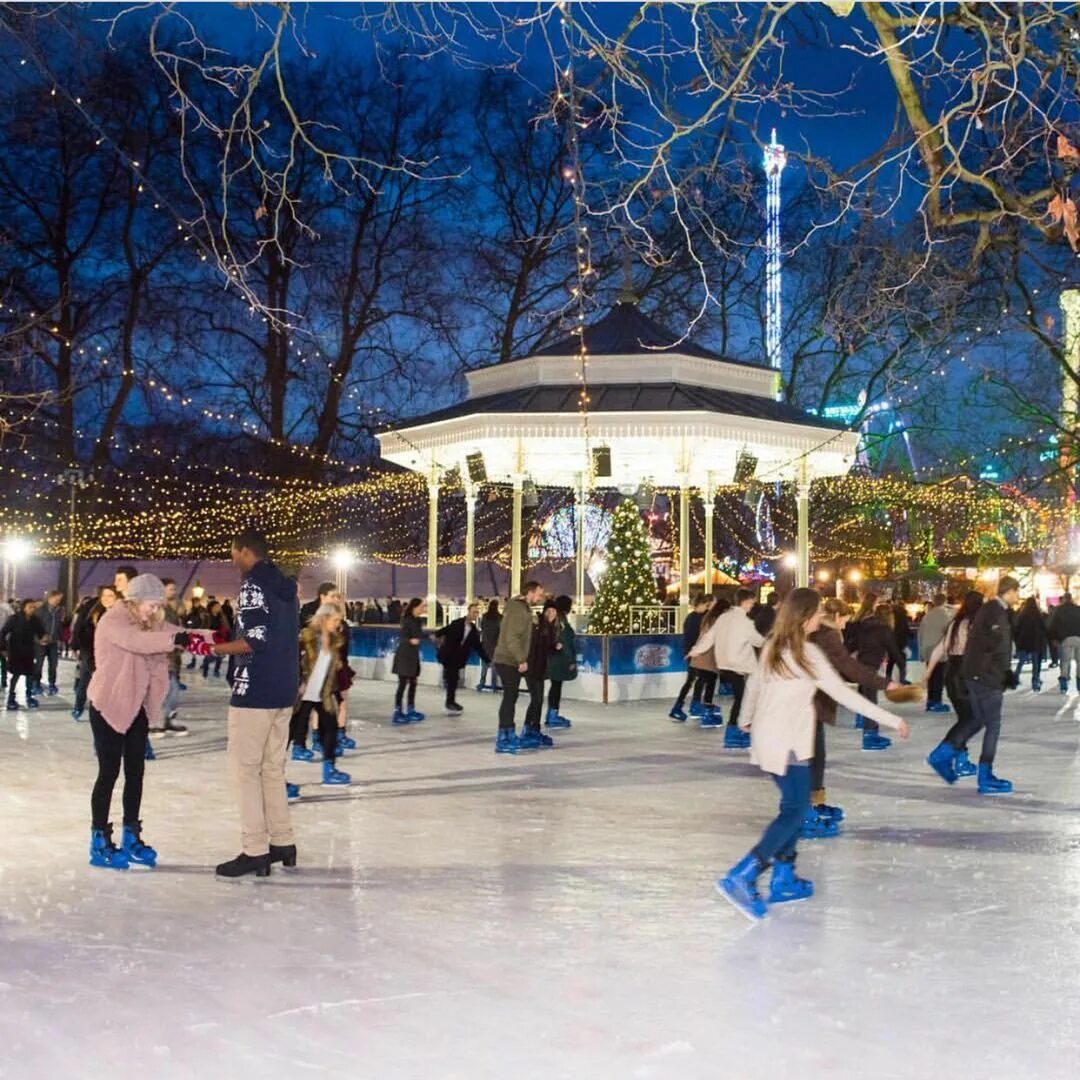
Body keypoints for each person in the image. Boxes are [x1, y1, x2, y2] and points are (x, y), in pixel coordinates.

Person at [716, 588, 910, 921]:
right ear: (806, 618)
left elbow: (753, 688)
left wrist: (746, 720)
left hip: (768, 741)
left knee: (793, 805)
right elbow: (846, 696)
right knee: (793, 813)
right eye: (818, 613)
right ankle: (745, 873)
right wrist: (891, 719)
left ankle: (784, 876)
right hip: (790, 744)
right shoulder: (807, 654)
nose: (821, 618)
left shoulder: (773, 649)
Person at [202, 529, 300, 879]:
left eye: (233, 552)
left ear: (245, 552)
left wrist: (212, 648)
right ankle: (283, 842)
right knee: (272, 769)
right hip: (284, 688)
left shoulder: (253, 586)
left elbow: (254, 640)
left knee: (245, 770)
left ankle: (255, 848)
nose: (231, 558)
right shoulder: (286, 587)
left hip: (255, 689)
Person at [86, 574, 197, 870]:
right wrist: (174, 639)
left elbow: (184, 632)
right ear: (135, 601)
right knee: (109, 772)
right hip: (108, 704)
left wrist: (220, 640)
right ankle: (99, 842)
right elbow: (138, 642)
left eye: (158, 605)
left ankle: (131, 836)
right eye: (151, 604)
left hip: (135, 707)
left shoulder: (152, 622)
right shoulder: (114, 620)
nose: (154, 610)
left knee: (136, 771)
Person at [805, 598, 897, 837]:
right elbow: (848, 667)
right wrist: (885, 683)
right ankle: (806, 811)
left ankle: (814, 802)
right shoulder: (827, 635)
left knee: (815, 755)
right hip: (809, 701)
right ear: (836, 617)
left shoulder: (818, 634)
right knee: (812, 756)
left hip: (810, 700)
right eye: (844, 620)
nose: (845, 626)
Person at [926, 576, 1020, 794]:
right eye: (1017, 592)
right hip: (986, 678)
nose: (1018, 597)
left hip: (972, 675)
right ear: (1010, 591)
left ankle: (941, 755)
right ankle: (985, 775)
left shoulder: (988, 611)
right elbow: (995, 647)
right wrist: (1002, 673)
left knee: (976, 719)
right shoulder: (995, 611)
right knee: (993, 725)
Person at [923, 591, 984, 780]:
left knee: (965, 718)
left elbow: (940, 648)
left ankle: (961, 760)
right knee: (975, 718)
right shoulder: (976, 625)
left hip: (951, 673)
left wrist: (928, 672)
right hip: (967, 674)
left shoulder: (955, 624)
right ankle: (942, 754)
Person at [291, 603, 350, 785]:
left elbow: (333, 666)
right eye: (335, 620)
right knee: (288, 734)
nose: (338, 624)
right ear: (324, 619)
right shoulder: (307, 636)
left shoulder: (334, 640)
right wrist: (296, 683)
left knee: (331, 728)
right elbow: (291, 658)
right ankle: (273, 778)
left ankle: (329, 770)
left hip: (322, 694)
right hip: (303, 693)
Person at [845, 594, 903, 751]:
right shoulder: (884, 630)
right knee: (871, 701)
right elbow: (895, 652)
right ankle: (870, 736)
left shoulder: (864, 625)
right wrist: (902, 671)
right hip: (870, 667)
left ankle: (866, 727)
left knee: (866, 697)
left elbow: (852, 644)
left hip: (860, 665)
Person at [492, 580, 545, 753]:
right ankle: (505, 736)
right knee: (510, 697)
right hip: (508, 659)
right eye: (539, 593)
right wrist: (521, 659)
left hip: (509, 659)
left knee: (511, 696)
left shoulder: (521, 609)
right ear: (530, 592)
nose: (541, 597)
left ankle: (507, 733)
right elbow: (512, 637)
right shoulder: (518, 610)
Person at [713, 587, 765, 749]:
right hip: (737, 665)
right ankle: (734, 731)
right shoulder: (744, 622)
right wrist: (772, 643)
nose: (752, 606)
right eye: (751, 603)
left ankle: (735, 731)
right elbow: (757, 641)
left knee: (741, 697)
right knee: (742, 698)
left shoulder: (723, 617)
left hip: (725, 663)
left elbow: (711, 637)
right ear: (746, 602)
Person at [149, 578, 188, 737]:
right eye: (171, 589)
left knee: (171, 687)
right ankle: (157, 721)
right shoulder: (157, 610)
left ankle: (166, 719)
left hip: (171, 656)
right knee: (170, 688)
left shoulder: (170, 609)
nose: (174, 592)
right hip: (161, 656)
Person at [519, 599, 560, 749]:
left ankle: (533, 728)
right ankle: (528, 729)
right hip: (533, 668)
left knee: (538, 700)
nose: (551, 614)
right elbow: (534, 646)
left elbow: (546, 648)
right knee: (536, 699)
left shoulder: (549, 627)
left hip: (540, 669)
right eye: (549, 611)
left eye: (554, 612)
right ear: (544, 612)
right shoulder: (539, 625)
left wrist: (555, 646)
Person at [434, 602, 486, 713]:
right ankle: (450, 702)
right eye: (473, 612)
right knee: (452, 679)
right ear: (468, 612)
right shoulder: (457, 623)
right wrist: (436, 635)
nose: (475, 615)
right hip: (449, 656)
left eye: (477, 613)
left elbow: (478, 646)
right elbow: (445, 630)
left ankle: (451, 702)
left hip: (458, 658)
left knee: (453, 679)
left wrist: (487, 659)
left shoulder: (473, 630)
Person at [686, 597, 727, 729]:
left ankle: (698, 706)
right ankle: (706, 710)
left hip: (701, 656)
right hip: (707, 656)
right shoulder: (716, 620)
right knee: (709, 681)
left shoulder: (708, 618)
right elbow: (711, 639)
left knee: (703, 680)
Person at [669, 595, 710, 722]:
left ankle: (685, 705)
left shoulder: (694, 618)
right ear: (700, 605)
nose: (707, 608)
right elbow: (694, 638)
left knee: (696, 680)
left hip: (693, 653)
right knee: (695, 680)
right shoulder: (695, 619)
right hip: (694, 654)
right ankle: (685, 705)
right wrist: (694, 651)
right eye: (705, 605)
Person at [2, 600, 47, 710]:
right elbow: (3, 632)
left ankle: (29, 696)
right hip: (15, 651)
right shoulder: (14, 618)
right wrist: (3, 648)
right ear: (24, 608)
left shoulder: (34, 619)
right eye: (30, 607)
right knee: (16, 674)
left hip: (29, 651)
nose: (32, 609)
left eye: (33, 607)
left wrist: (43, 638)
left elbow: (41, 631)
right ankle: (11, 699)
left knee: (30, 674)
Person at [392, 598, 426, 724]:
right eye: (422, 606)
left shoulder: (418, 621)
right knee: (402, 684)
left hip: (413, 656)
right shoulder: (406, 620)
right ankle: (397, 711)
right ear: (414, 607)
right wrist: (410, 641)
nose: (424, 609)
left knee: (413, 683)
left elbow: (419, 635)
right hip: (404, 656)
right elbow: (402, 638)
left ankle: (411, 709)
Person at [917, 594, 954, 713]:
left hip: (927, 649)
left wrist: (921, 651)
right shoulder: (946, 615)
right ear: (945, 601)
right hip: (939, 650)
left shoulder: (927, 616)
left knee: (931, 677)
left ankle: (930, 701)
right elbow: (949, 633)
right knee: (938, 677)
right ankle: (936, 701)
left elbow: (920, 634)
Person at [545, 595, 577, 729]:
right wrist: (571, 660)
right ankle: (552, 714)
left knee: (555, 686)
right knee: (556, 687)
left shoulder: (556, 619)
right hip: (559, 660)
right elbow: (565, 642)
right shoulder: (561, 621)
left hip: (553, 658)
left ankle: (551, 713)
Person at [1047, 592, 1080, 693]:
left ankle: (1064, 684)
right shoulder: (1078, 609)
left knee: (1065, 662)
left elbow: (1053, 625)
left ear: (1064, 599)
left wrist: (1054, 638)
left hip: (1065, 638)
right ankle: (1079, 684)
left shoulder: (1059, 610)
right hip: (1079, 637)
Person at [1013, 596, 1048, 692]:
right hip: (1035, 642)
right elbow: (1044, 628)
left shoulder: (1022, 615)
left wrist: (1017, 641)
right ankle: (1035, 682)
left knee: (1021, 662)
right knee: (1036, 663)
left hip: (1024, 642)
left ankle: (1015, 679)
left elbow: (1016, 629)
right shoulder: (1038, 615)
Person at [37, 590, 65, 696]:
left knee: (53, 665)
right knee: (39, 664)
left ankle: (52, 683)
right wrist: (38, 639)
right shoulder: (40, 611)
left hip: (53, 642)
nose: (58, 601)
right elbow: (34, 627)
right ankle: (36, 683)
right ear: (49, 598)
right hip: (41, 643)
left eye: (59, 599)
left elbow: (59, 626)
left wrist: (61, 639)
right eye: (56, 599)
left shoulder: (59, 611)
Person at [477, 599, 503, 692]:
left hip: (485, 644)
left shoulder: (484, 617)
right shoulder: (500, 618)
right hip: (495, 645)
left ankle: (481, 683)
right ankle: (493, 686)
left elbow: (482, 627)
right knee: (494, 667)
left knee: (484, 666)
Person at [887, 598, 911, 684]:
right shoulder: (903, 616)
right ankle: (902, 678)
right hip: (901, 642)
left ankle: (888, 678)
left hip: (891, 642)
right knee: (902, 662)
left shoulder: (891, 616)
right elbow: (906, 629)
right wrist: (910, 635)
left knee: (891, 661)